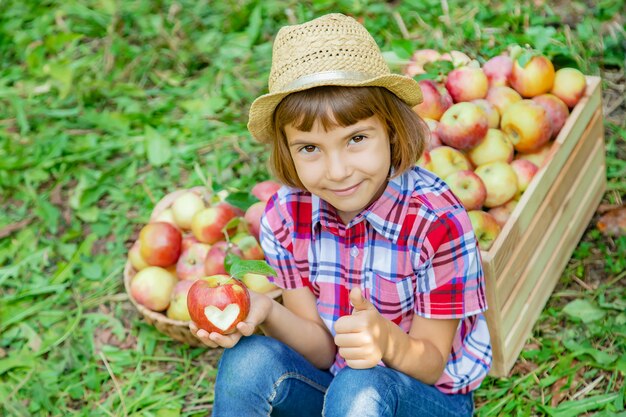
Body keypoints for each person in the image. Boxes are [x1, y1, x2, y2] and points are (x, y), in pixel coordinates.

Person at [190, 13, 492, 417]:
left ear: (391, 129)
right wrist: (266, 311)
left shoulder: (435, 221)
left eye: (356, 139)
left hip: (424, 394)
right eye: (309, 148)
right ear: (286, 150)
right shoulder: (285, 216)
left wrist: (388, 341)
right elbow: (319, 349)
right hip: (337, 388)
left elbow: (432, 361)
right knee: (249, 360)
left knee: (361, 384)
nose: (337, 171)